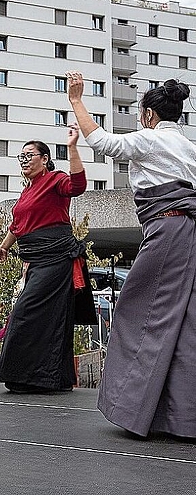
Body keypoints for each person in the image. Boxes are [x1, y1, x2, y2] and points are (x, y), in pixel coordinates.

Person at [67, 71, 196, 439]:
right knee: (184, 321)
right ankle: (181, 417)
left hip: (166, 229)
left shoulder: (150, 140)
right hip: (188, 232)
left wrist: (77, 100)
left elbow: (102, 142)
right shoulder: (188, 147)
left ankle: (131, 406)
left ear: (149, 115)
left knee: (137, 311)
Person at [0, 125, 97, 394]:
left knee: (25, 313)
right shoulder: (27, 191)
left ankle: (27, 377)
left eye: (30, 155)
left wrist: (72, 148)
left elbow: (78, 186)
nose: (24, 160)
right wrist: (3, 247)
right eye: (21, 157)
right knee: (50, 317)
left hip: (57, 257)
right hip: (37, 260)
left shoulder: (55, 180)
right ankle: (54, 379)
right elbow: (18, 224)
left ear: (45, 159)